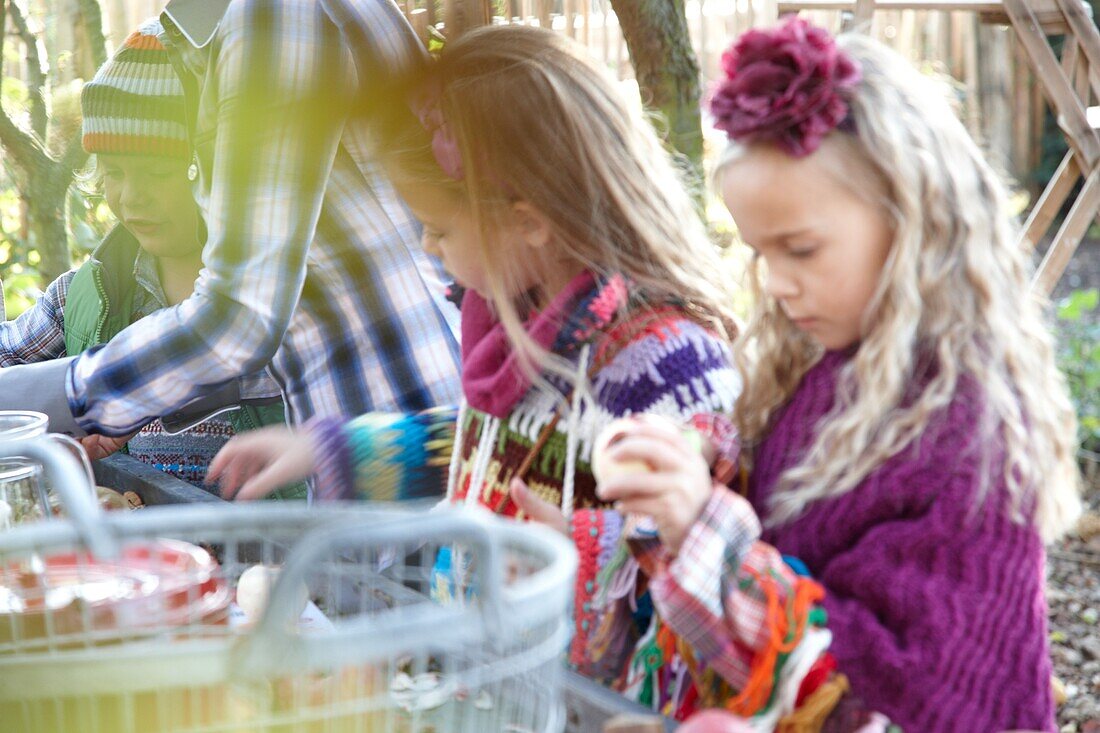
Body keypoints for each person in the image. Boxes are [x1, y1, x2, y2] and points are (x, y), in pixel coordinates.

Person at [208, 25, 828, 725]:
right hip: (498, 691)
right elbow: (487, 445)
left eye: (441, 230)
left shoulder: (666, 369)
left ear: (527, 222)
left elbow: (705, 546)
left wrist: (581, 551)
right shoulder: (525, 325)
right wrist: (340, 449)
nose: (426, 246)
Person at [609, 18, 1082, 731]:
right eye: (760, 253)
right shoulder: (837, 369)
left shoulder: (967, 430)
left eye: (799, 249)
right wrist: (707, 465)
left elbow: (891, 690)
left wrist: (703, 525)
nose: (774, 284)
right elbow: (799, 529)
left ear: (912, 224)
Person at [0, 0, 461, 445]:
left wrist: (38, 400)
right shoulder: (219, 29)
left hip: (405, 446)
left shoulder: (274, 15)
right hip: (372, 444)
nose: (133, 195)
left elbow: (239, 319)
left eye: (163, 173)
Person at [0, 18, 301, 496]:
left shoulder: (277, 307)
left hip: (268, 564)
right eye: (114, 171)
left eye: (160, 171)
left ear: (213, 173)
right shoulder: (84, 299)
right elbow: (7, 361)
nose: (132, 197)